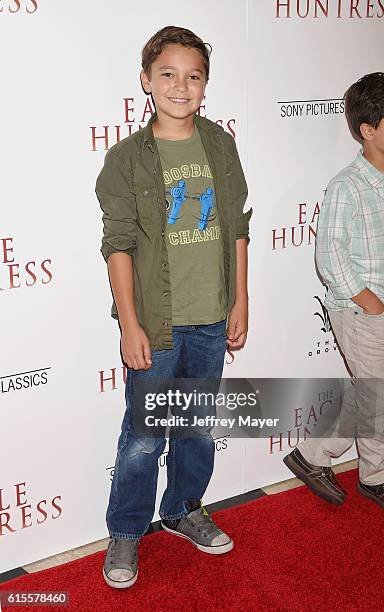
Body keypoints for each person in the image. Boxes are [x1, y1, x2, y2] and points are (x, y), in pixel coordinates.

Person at [95, 25, 252, 588]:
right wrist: (129, 324)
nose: (181, 86)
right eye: (168, 74)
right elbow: (119, 244)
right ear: (146, 80)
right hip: (155, 325)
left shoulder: (220, 144)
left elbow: (236, 226)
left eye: (193, 76)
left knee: (198, 427)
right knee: (143, 433)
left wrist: (241, 298)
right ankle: (127, 530)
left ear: (205, 85)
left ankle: (184, 508)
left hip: (211, 316)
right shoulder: (125, 159)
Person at [284, 72, 384, 509]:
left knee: (369, 392)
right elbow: (331, 258)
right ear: (368, 129)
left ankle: (311, 456)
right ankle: (376, 477)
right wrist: (372, 303)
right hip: (362, 312)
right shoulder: (348, 186)